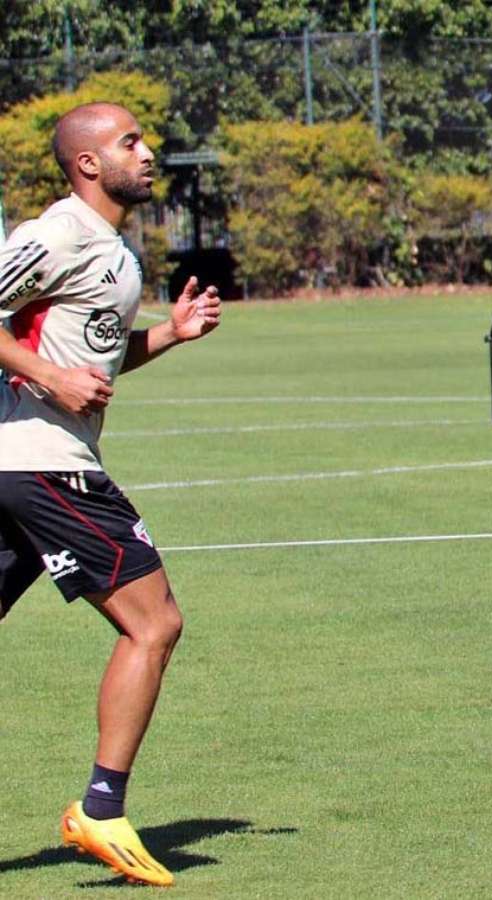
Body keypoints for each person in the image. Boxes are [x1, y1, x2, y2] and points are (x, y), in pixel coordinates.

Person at [0, 102, 221, 887]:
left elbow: (95, 353)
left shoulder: (115, 252)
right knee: (154, 623)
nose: (148, 151)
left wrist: (169, 334)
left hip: (24, 466)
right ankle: (101, 808)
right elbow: (53, 364)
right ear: (88, 163)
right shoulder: (58, 233)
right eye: (130, 142)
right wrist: (47, 376)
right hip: (42, 464)